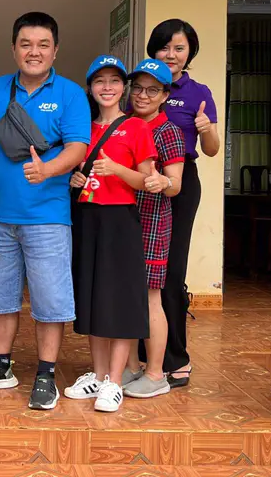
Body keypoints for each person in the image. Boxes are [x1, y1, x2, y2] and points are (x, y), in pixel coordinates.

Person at [0, 12, 90, 411]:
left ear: (55, 50)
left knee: (50, 301)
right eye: (25, 44)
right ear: (14, 48)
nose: (33, 52)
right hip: (1, 217)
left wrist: (48, 169)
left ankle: (46, 374)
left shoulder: (70, 94)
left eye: (42, 45)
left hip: (48, 217)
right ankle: (2, 367)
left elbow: (77, 148)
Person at [66, 55, 156, 413]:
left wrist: (117, 168)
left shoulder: (136, 127)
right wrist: (76, 180)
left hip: (120, 220)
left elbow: (147, 182)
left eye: (114, 81)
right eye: (100, 81)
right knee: (92, 298)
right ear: (90, 87)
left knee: (118, 301)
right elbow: (77, 173)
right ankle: (99, 375)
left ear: (124, 88)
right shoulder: (81, 128)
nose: (107, 87)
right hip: (88, 218)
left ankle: (116, 381)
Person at [147, 19, 219, 388]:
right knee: (143, 270)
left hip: (181, 182)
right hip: (141, 181)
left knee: (171, 272)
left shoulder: (198, 92)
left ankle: (177, 358)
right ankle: (146, 352)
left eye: (179, 48)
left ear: (190, 51)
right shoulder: (141, 88)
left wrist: (207, 129)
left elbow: (210, 150)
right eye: (164, 47)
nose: (171, 55)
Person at [120, 59, 185, 399]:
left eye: (152, 90)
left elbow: (176, 185)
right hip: (123, 222)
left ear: (164, 95)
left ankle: (157, 373)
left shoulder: (168, 132)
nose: (143, 95)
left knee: (149, 298)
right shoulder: (126, 125)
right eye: (138, 88)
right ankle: (131, 367)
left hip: (152, 223)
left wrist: (162, 180)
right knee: (127, 297)